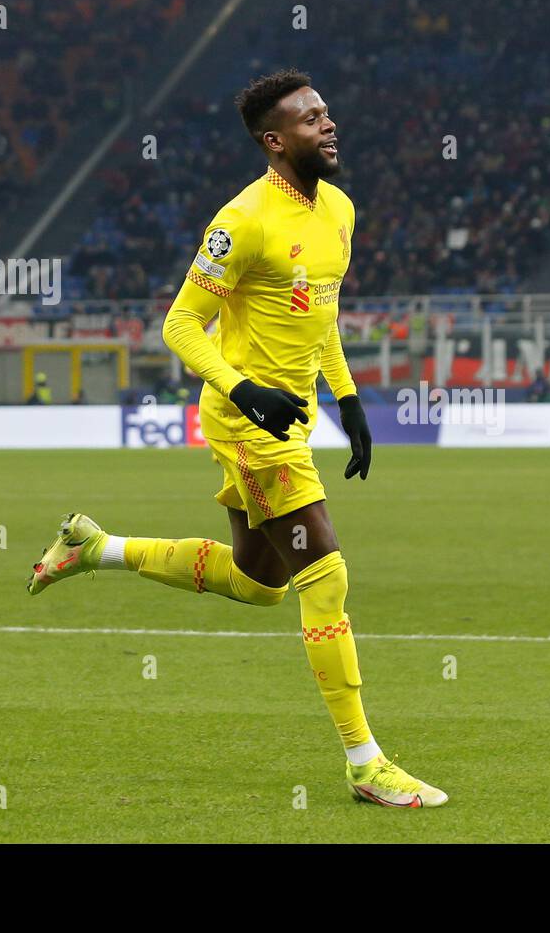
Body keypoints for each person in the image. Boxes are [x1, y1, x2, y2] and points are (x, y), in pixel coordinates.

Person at [26, 69, 444, 808]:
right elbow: (180, 324)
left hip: (294, 419)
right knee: (328, 578)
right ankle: (365, 762)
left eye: (327, 112)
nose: (328, 124)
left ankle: (96, 546)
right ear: (275, 141)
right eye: (311, 119)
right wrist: (241, 388)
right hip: (249, 426)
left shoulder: (339, 211)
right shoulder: (242, 220)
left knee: (259, 585)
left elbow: (321, 320)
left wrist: (348, 399)